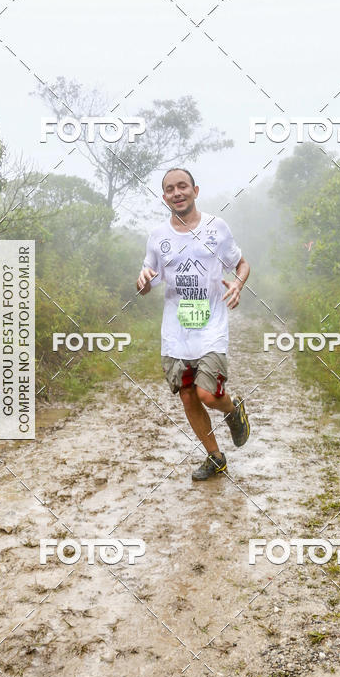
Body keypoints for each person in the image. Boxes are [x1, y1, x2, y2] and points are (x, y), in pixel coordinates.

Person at [137, 167, 251, 480]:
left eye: (182, 186)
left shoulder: (217, 228)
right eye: (170, 189)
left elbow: (241, 264)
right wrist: (143, 280)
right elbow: (146, 284)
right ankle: (215, 457)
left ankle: (232, 409)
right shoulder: (158, 237)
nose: (177, 193)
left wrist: (238, 283)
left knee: (207, 395)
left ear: (195, 191)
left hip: (212, 327)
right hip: (176, 333)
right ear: (164, 197)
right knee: (187, 395)